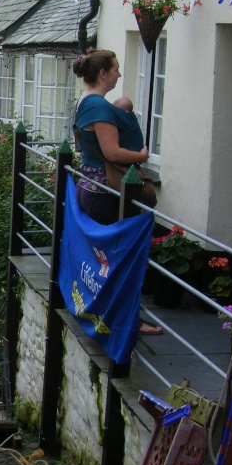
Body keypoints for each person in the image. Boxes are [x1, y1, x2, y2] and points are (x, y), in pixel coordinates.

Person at [73, 49, 162, 335]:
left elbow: (82, 147)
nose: (119, 74)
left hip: (88, 186)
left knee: (102, 260)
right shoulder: (98, 107)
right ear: (102, 74)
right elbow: (112, 151)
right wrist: (142, 154)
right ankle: (126, 321)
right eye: (116, 70)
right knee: (119, 260)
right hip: (105, 194)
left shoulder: (84, 101)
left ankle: (105, 314)